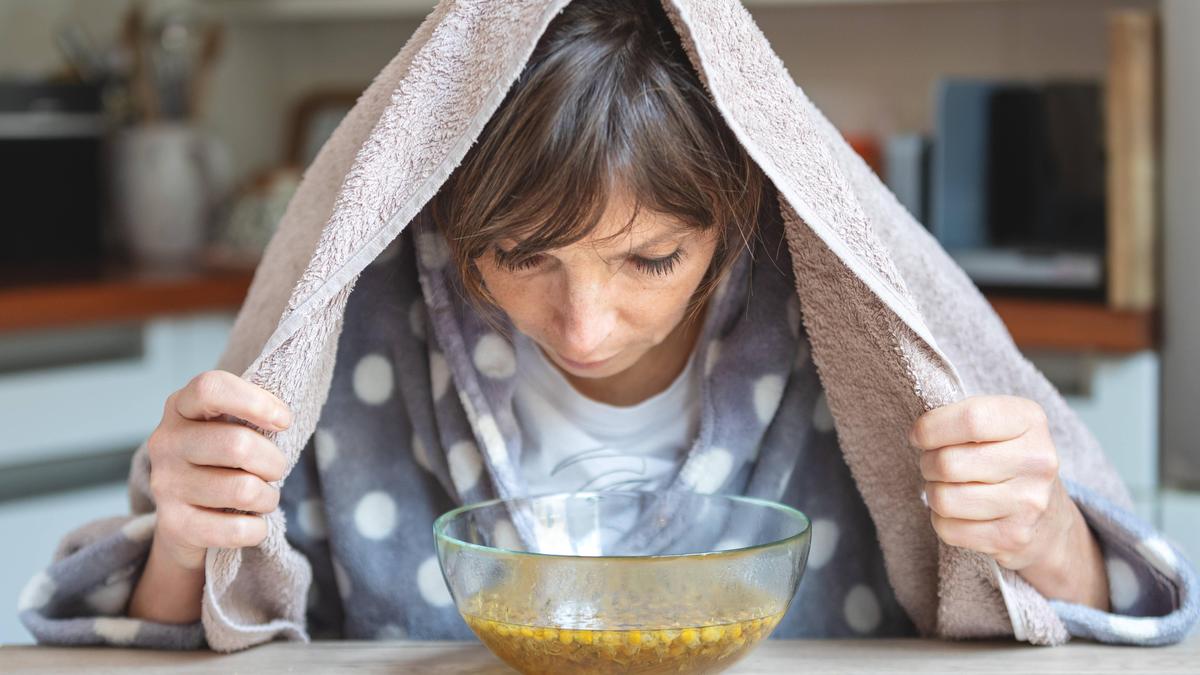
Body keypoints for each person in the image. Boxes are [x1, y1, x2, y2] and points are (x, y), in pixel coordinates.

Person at [21, 0, 1196, 649]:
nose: (584, 324)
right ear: (446, 219)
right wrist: (187, 538)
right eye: (522, 256)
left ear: (739, 221)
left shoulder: (849, 349)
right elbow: (179, 630)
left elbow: (1117, 602)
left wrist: (1041, 536)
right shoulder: (360, 334)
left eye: (651, 258)